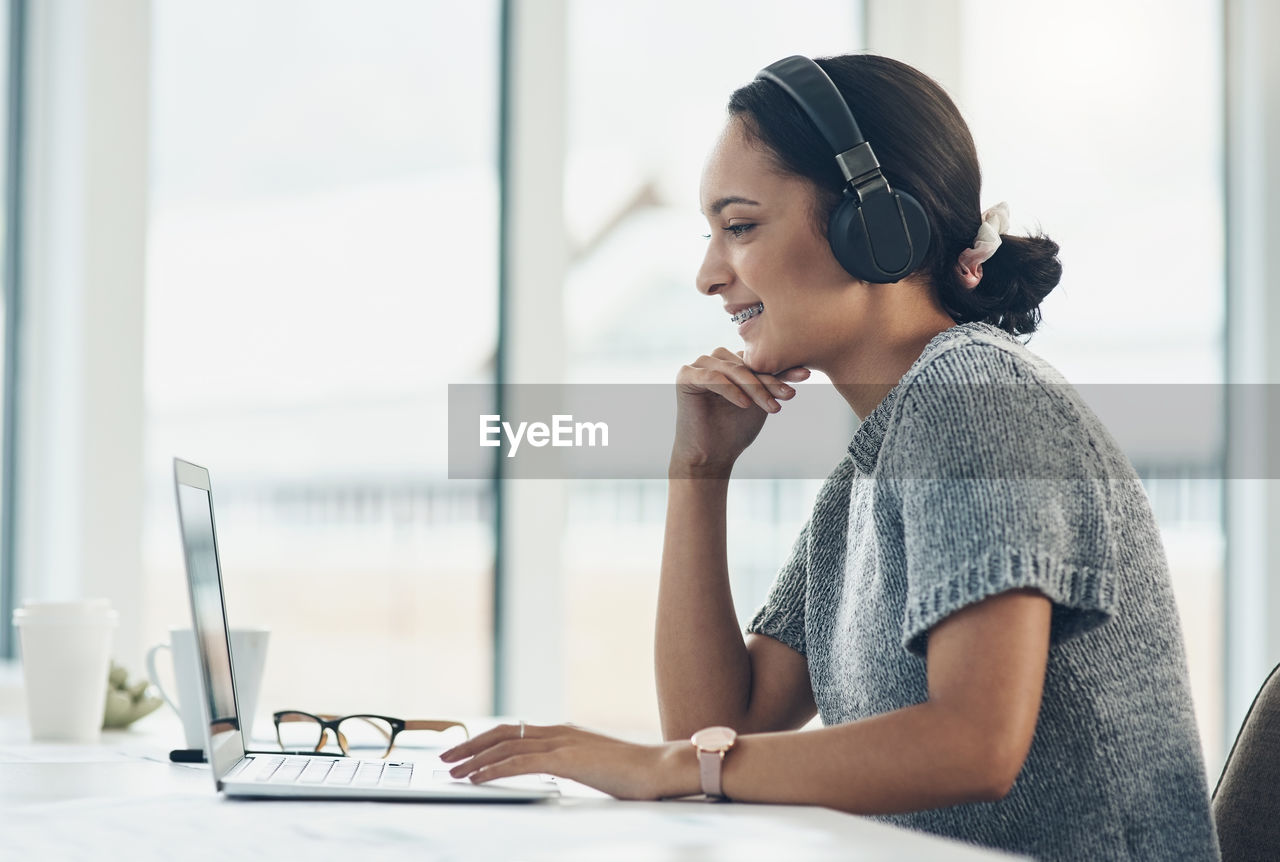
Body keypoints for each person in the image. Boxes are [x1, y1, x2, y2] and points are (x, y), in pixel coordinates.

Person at [440, 53, 1220, 861]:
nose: (709, 275)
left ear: (873, 228)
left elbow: (973, 745)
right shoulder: (875, 462)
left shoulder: (977, 399)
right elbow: (724, 726)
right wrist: (698, 474)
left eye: (739, 227)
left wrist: (664, 766)